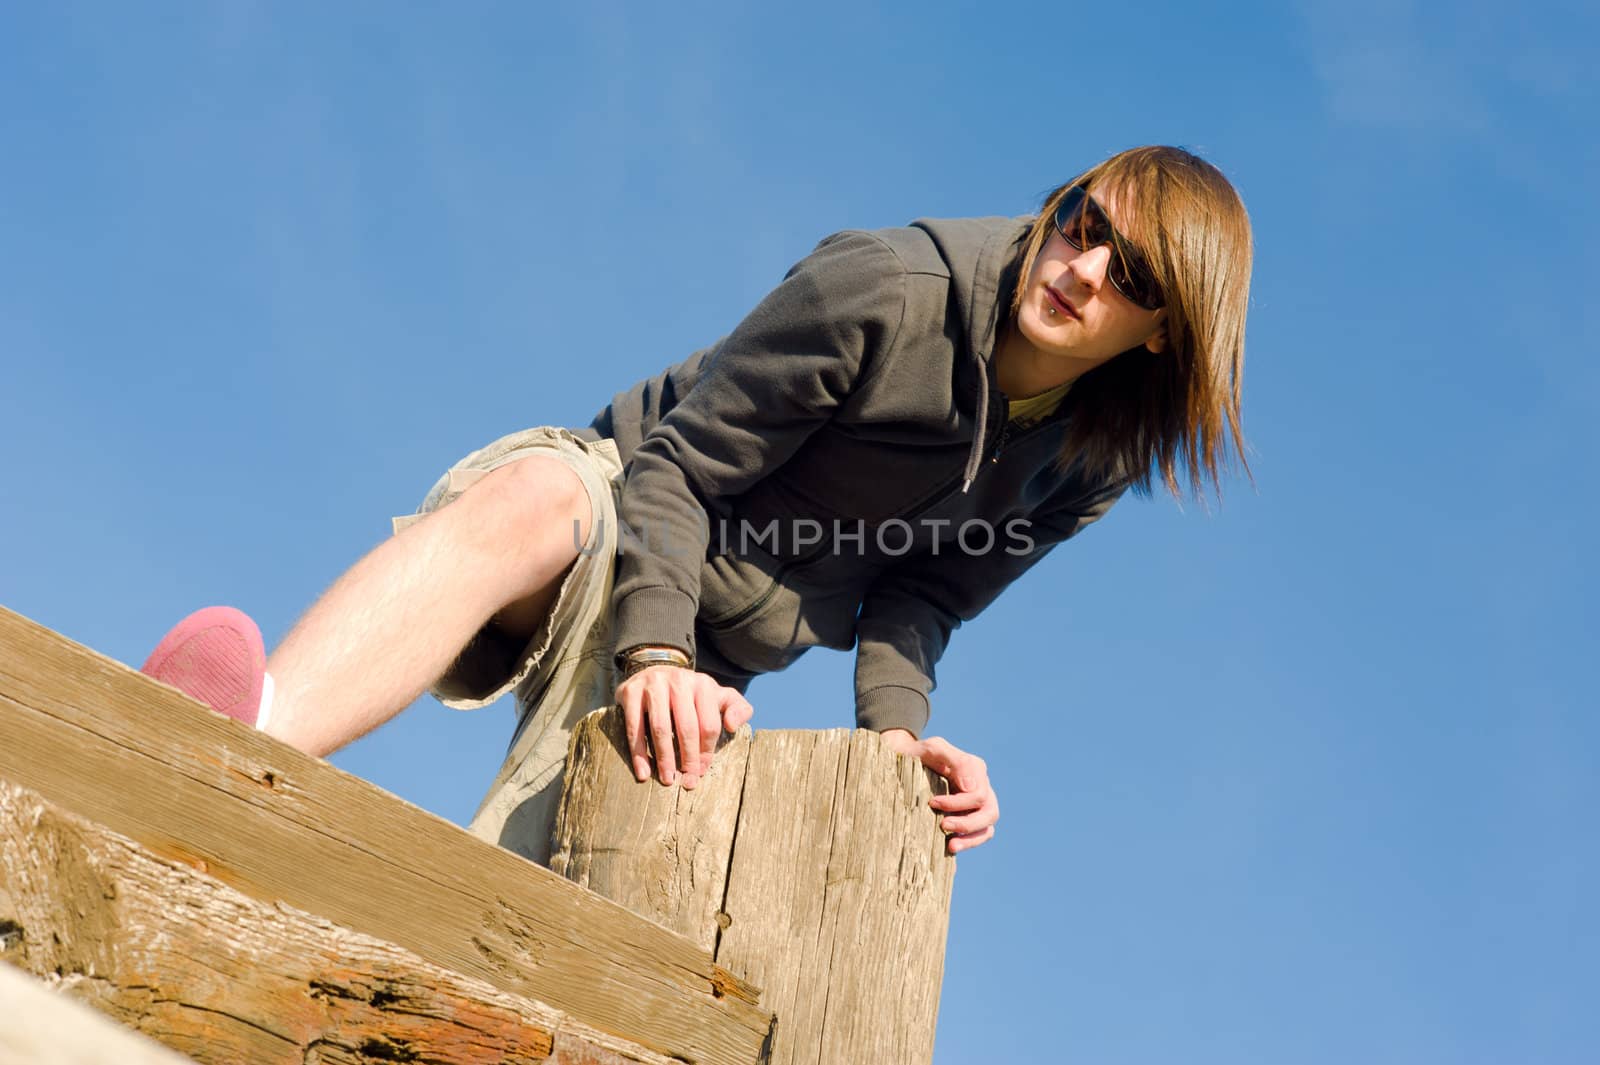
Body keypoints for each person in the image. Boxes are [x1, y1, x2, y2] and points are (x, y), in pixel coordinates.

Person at [141, 144, 1253, 866]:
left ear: (1164, 331)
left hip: (715, 661)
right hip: (623, 516)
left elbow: (923, 595)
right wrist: (656, 653)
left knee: (621, 837)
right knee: (535, 495)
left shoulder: (1089, 463)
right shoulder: (884, 290)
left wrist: (895, 744)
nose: (1083, 265)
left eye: (1135, 275)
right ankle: (216, 743)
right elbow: (675, 471)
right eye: (1080, 220)